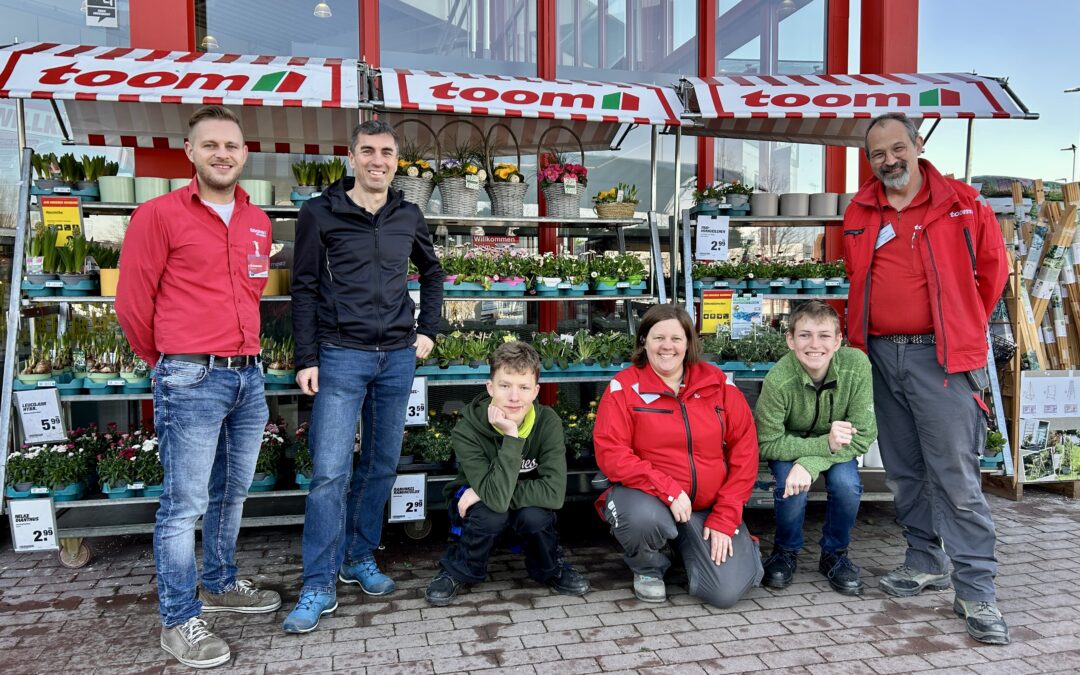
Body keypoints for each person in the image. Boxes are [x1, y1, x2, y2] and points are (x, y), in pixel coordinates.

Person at [116, 105, 281, 669]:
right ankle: (179, 619)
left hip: (248, 375)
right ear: (190, 151)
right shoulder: (158, 215)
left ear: (244, 153)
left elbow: (253, 294)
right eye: (209, 144)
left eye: (231, 145)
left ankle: (219, 583)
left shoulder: (258, 221)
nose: (222, 154)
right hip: (190, 374)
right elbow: (133, 303)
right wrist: (167, 361)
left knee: (233, 494)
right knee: (184, 505)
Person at [843, 112, 1010, 644]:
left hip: (941, 359)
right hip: (878, 355)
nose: (889, 160)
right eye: (877, 154)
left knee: (956, 479)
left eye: (897, 148)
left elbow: (994, 271)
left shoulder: (962, 203)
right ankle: (924, 559)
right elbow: (853, 277)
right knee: (904, 470)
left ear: (918, 145)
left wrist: (962, 324)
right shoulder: (859, 208)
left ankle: (977, 591)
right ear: (868, 161)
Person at [283, 119, 444, 633]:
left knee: (381, 465)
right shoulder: (319, 212)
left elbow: (433, 271)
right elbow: (303, 288)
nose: (378, 160)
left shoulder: (408, 213)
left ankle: (357, 557)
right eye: (368, 151)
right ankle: (317, 583)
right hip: (341, 355)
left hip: (397, 356)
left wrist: (429, 329)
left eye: (388, 153)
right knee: (330, 472)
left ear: (397, 161)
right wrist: (306, 358)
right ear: (350, 157)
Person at [592, 304, 763, 607]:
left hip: (707, 508)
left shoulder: (719, 385)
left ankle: (706, 549)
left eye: (676, 338)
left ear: (689, 343)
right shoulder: (624, 387)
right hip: (653, 500)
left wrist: (726, 516)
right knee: (644, 519)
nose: (667, 346)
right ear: (643, 341)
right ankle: (648, 568)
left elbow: (745, 452)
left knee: (724, 594)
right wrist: (668, 490)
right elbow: (612, 453)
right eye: (658, 337)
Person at [423, 341, 590, 605]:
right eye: (505, 385)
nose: (514, 397)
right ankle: (458, 569)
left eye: (523, 387)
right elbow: (497, 502)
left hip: (518, 504)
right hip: (479, 509)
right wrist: (512, 437)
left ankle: (550, 568)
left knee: (534, 516)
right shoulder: (468, 428)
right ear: (490, 387)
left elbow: (554, 493)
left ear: (536, 391)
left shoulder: (548, 423)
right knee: (491, 513)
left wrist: (486, 492)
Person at [754, 300, 877, 596]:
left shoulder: (856, 366)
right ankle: (785, 550)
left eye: (824, 336)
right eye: (805, 335)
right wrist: (820, 447)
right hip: (790, 445)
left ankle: (834, 553)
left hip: (839, 446)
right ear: (790, 340)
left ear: (838, 341)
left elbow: (863, 434)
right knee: (790, 485)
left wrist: (811, 462)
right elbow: (766, 442)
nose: (815, 344)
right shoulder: (779, 380)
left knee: (847, 485)